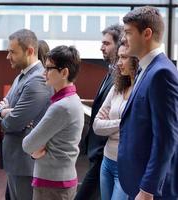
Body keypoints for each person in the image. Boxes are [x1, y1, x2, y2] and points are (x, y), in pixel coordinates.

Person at [118, 6, 178, 200]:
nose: (124, 39)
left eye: (128, 33)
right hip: (136, 182)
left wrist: (147, 189)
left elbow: (166, 138)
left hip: (151, 191)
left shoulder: (162, 73)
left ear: (147, 33)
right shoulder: (146, 69)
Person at [0, 29, 53, 200]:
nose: (7, 56)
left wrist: (5, 116)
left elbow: (13, 124)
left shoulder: (38, 80)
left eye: (12, 52)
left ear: (30, 51)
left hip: (25, 162)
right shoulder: (22, 76)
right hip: (16, 160)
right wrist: (4, 112)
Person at [22, 45, 84, 200]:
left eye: (49, 68)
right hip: (59, 180)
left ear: (64, 72)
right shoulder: (71, 100)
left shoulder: (62, 107)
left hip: (52, 183)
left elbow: (28, 144)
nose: (44, 73)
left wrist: (35, 149)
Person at [75, 24, 123, 200]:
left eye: (106, 43)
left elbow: (114, 117)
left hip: (105, 153)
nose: (101, 47)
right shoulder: (111, 73)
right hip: (98, 152)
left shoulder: (120, 78)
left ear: (119, 45)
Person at [93, 43, 138, 200]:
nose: (119, 62)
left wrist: (111, 122)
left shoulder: (141, 90)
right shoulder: (117, 88)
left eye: (124, 57)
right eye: (118, 57)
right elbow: (97, 125)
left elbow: (137, 129)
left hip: (126, 165)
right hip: (107, 161)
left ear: (137, 60)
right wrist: (122, 122)